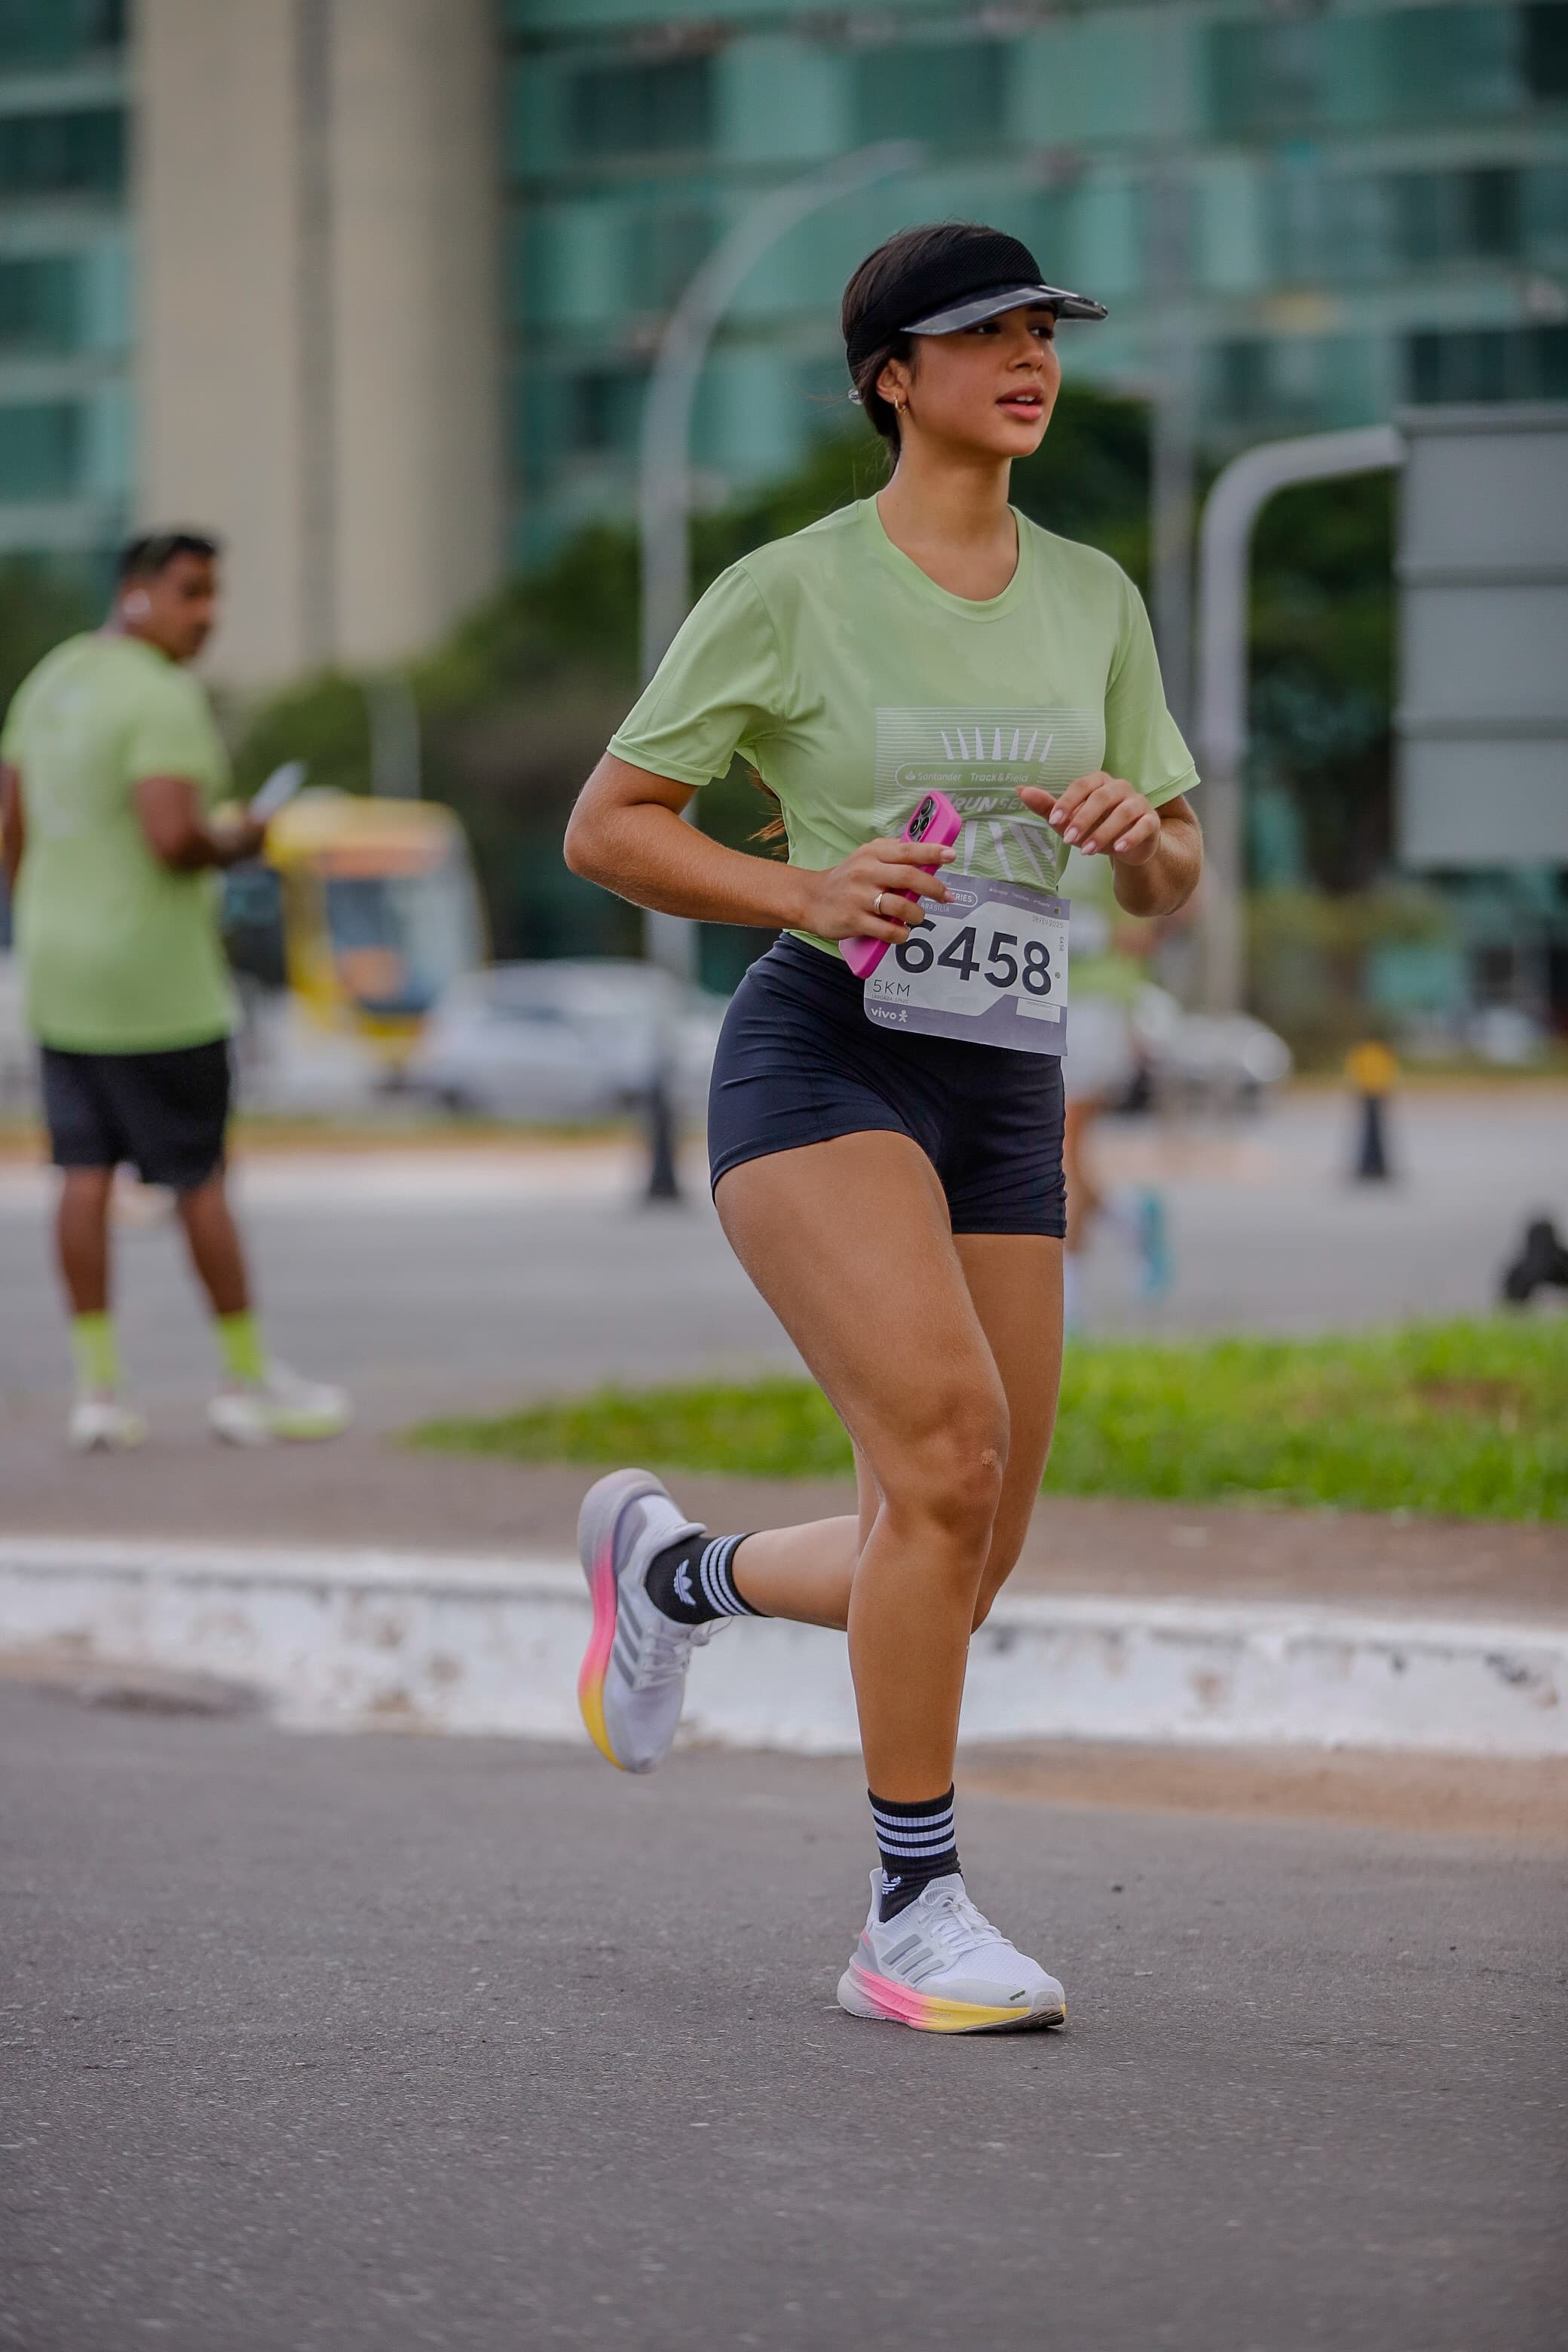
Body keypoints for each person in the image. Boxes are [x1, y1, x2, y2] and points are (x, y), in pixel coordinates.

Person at [564, 223, 1202, 2033]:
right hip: (824, 1053)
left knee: (964, 1533)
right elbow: (610, 827)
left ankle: (673, 1575)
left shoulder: (1091, 595)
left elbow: (1171, 870)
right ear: (889, 379)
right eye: (981, 335)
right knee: (940, 1445)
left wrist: (1130, 827)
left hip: (1005, 1070)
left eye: (1041, 331)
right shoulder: (790, 588)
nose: (1026, 358)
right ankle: (907, 1911)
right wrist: (802, 884)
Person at [0, 529, 351, 1452]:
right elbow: (171, 838)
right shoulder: (162, 698)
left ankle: (99, 1394)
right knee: (198, 1178)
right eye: (192, 593)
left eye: (213, 596)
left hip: (60, 967)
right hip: (154, 981)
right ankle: (244, 1383)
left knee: (81, 1172)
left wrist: (48, 910)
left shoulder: (50, 681)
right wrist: (245, 835)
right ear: (138, 593)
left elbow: (12, 823)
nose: (207, 616)